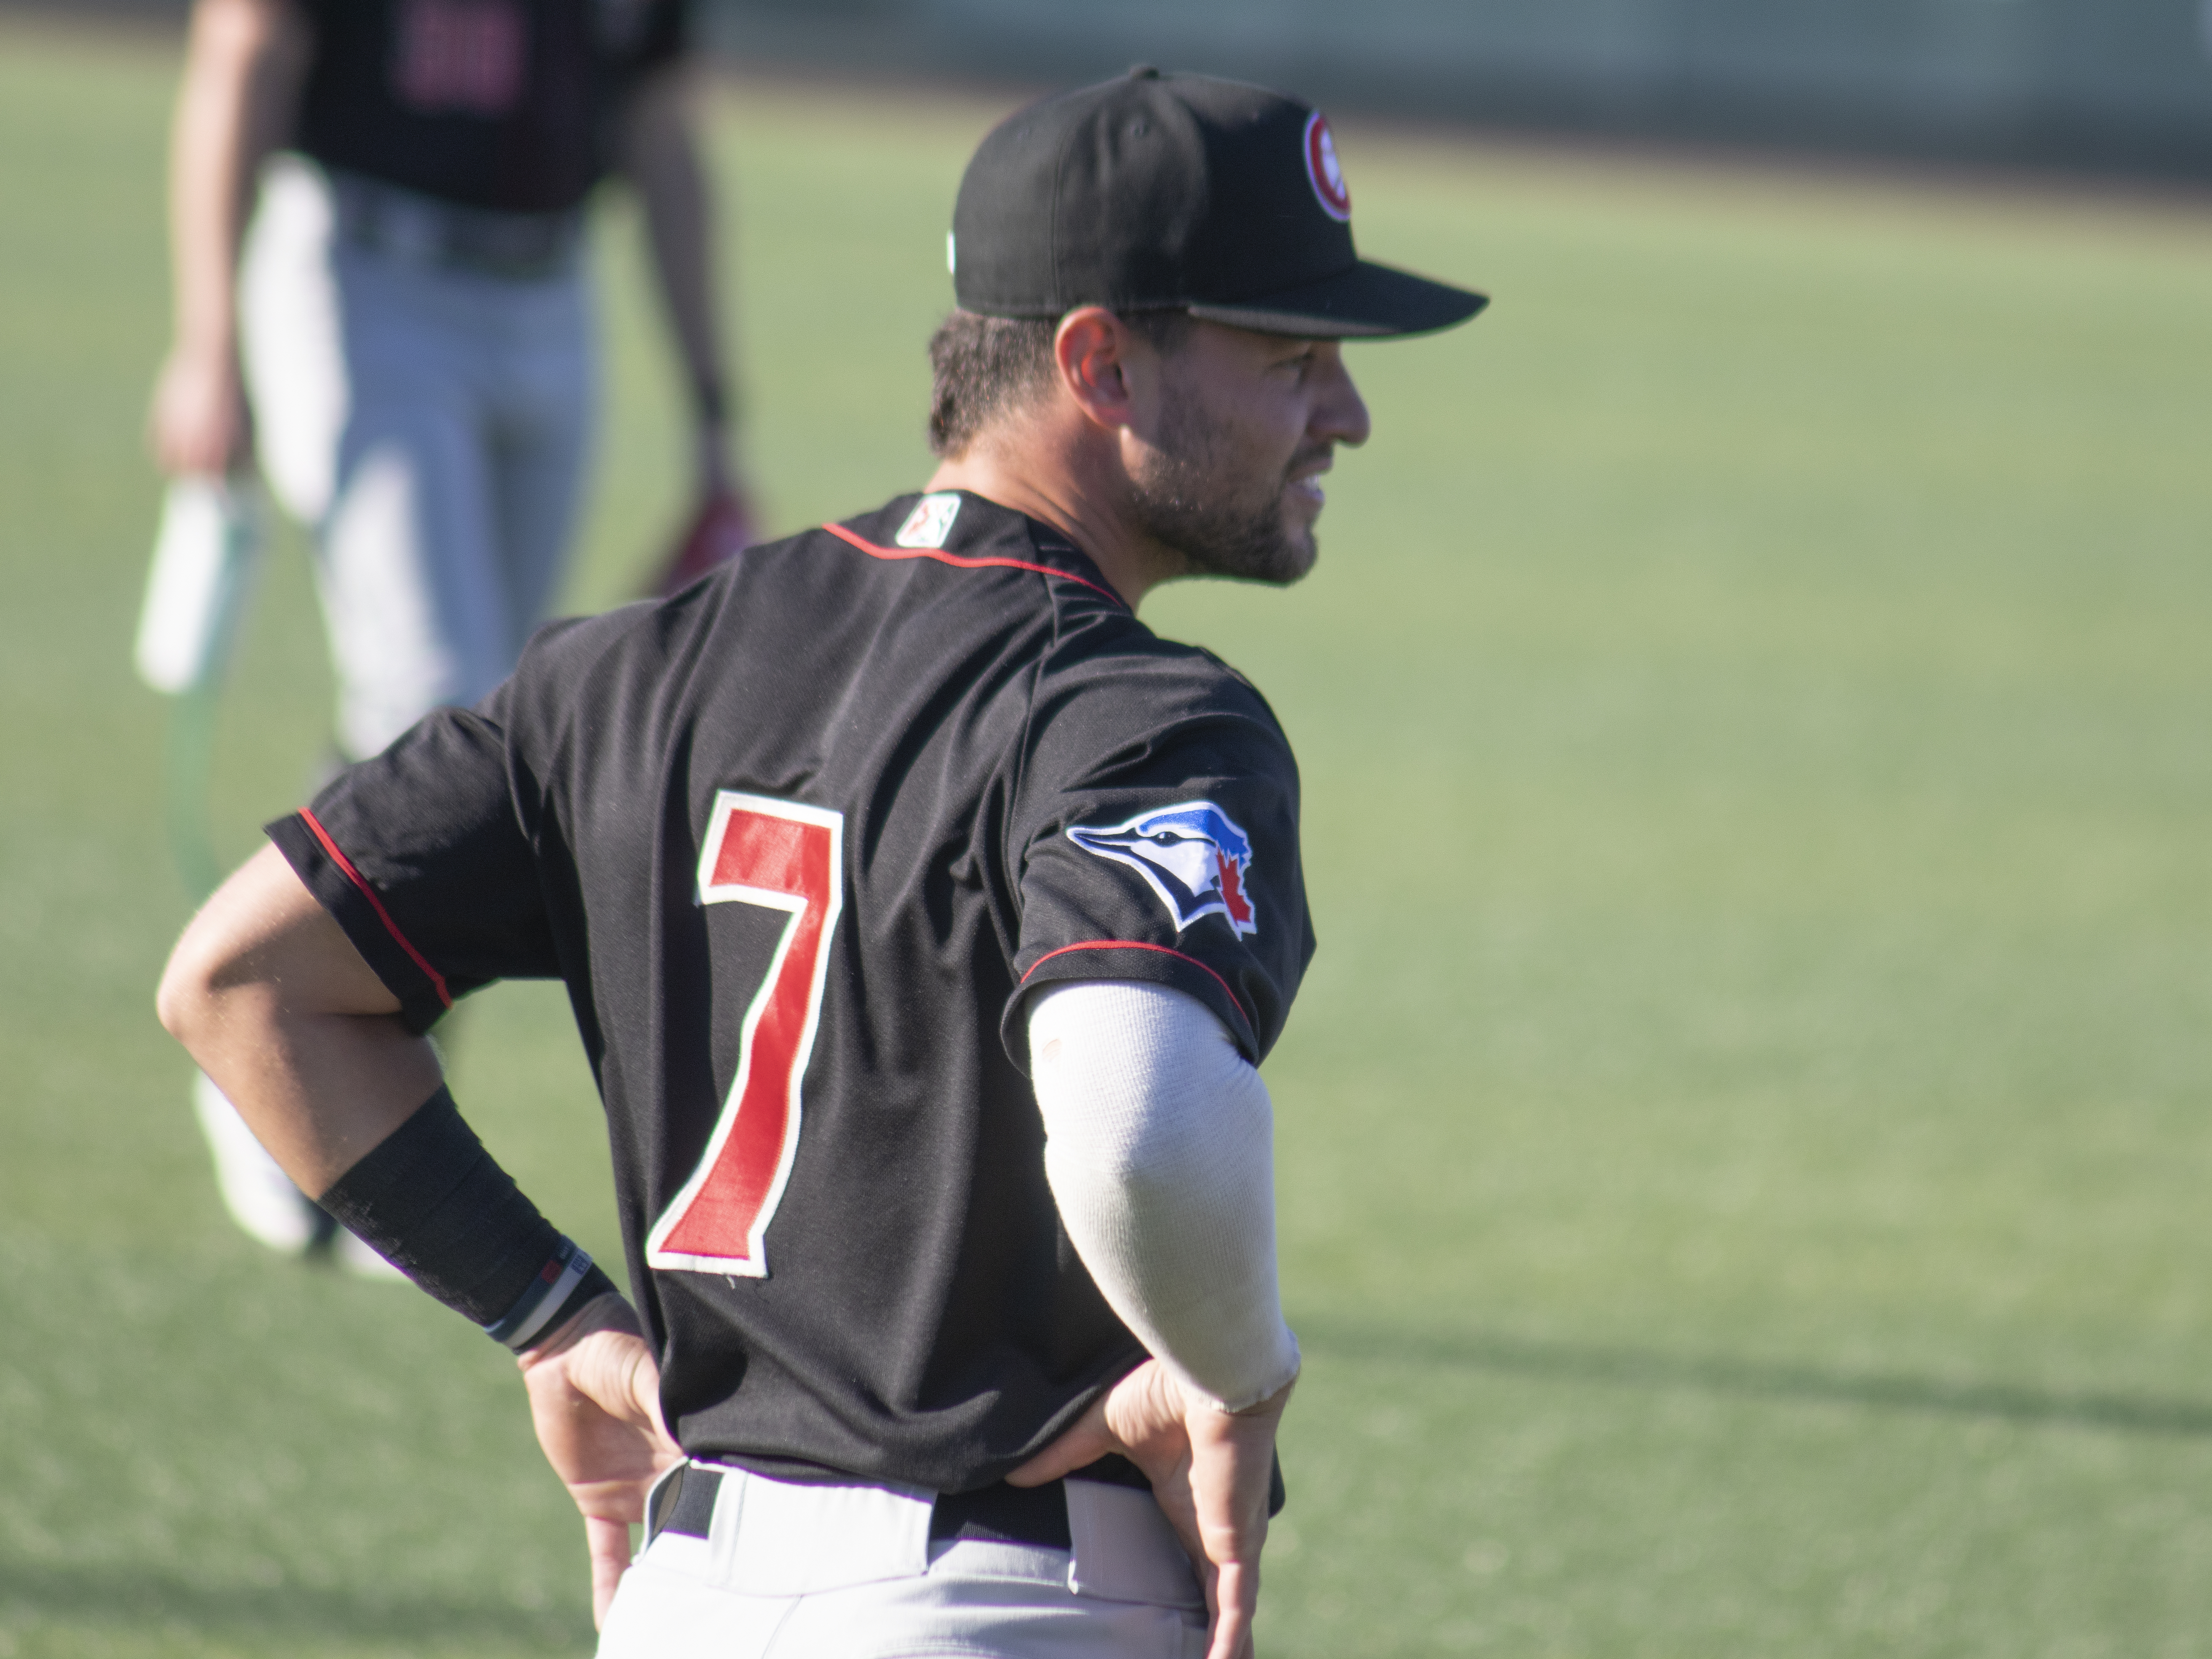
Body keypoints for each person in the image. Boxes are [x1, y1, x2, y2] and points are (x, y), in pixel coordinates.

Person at [157, 67, 1484, 1659]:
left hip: (686, 1600)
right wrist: (1238, 1371)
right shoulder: (1142, 715)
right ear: (1098, 362)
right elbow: (1140, 1125)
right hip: (1018, 1599)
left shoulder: (635, 666)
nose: (1344, 409)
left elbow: (240, 981)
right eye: (1292, 354)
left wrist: (543, 1316)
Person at [147, 0, 751, 1263]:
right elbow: (244, 55)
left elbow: (658, 124)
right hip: (366, 270)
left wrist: (712, 412)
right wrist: (210, 338)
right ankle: (273, 1053)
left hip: (546, 291)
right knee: (432, 686)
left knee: (485, 734)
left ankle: (343, 1089)